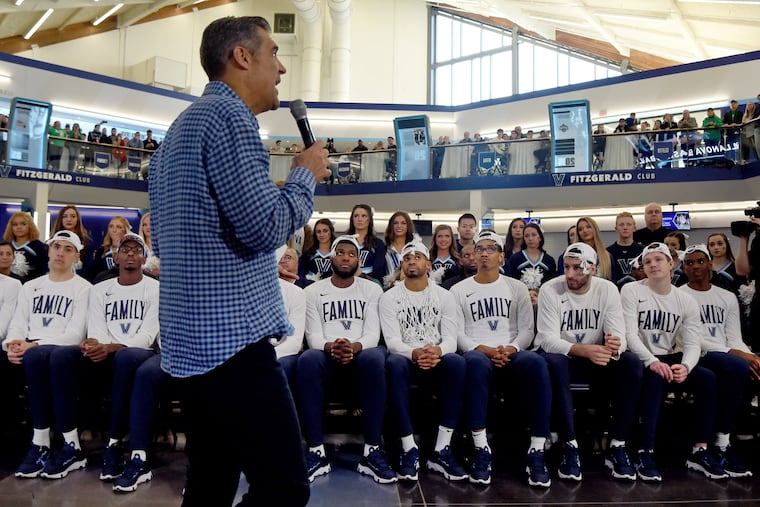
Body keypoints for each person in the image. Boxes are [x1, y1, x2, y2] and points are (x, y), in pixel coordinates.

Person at [148, 16, 329, 507]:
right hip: (233, 346)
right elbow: (264, 230)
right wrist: (303, 177)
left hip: (191, 347)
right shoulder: (231, 119)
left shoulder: (176, 133)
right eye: (273, 52)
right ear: (242, 57)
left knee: (210, 482)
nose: (282, 67)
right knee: (284, 487)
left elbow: (162, 244)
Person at [450, 230, 552, 488]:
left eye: (490, 249)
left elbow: (528, 330)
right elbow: (457, 333)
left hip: (510, 351)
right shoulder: (458, 290)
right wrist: (483, 349)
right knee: (473, 363)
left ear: (502, 256)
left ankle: (537, 449)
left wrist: (511, 348)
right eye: (479, 249)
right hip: (477, 352)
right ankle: (480, 447)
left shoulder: (516, 287)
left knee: (538, 363)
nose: (484, 253)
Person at [536, 242, 642, 482]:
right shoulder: (550, 289)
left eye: (578, 268)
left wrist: (616, 345)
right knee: (555, 362)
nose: (570, 274)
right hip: (565, 355)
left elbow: (620, 336)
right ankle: (569, 445)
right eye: (567, 267)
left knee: (631, 363)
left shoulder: (608, 290)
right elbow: (547, 340)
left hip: (596, 356)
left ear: (593, 268)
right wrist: (585, 350)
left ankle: (617, 444)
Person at [622, 243, 727, 481]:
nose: (653, 264)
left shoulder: (686, 300)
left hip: (671, 356)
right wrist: (651, 361)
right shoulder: (631, 290)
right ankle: (645, 451)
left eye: (659, 259)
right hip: (640, 356)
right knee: (654, 378)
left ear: (671, 264)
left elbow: (693, 343)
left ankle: (700, 450)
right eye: (647, 261)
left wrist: (686, 367)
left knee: (707, 378)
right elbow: (629, 335)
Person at [297, 235, 395, 484]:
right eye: (340, 253)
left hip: (362, 353)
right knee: (307, 359)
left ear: (358, 260)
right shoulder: (313, 291)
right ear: (331, 258)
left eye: (351, 254)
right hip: (326, 355)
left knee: (375, 359)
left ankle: (372, 451)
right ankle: (316, 452)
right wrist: (332, 346)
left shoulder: (372, 288)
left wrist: (353, 346)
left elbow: (373, 334)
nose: (345, 257)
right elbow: (313, 335)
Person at [4, 230, 91, 480]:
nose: (60, 253)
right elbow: (18, 323)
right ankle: (47, 444)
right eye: (56, 247)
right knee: (35, 356)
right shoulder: (31, 287)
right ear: (49, 250)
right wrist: (13, 344)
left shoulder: (84, 288)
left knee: (44, 356)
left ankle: (51, 442)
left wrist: (34, 344)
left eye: (67, 249)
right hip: (35, 350)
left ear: (76, 256)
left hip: (65, 351)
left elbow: (75, 335)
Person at [380, 240, 467, 481]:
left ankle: (442, 449)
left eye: (417, 257)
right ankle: (409, 447)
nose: (411, 261)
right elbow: (392, 341)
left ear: (428, 264)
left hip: (436, 356)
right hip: (407, 358)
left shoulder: (444, 296)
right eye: (407, 258)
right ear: (401, 265)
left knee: (457, 363)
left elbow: (451, 339)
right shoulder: (389, 298)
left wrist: (436, 352)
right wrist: (415, 353)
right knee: (393, 363)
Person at [87, 233, 161, 490]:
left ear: (143, 257)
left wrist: (111, 347)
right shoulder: (98, 290)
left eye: (136, 249)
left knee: (127, 357)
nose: (130, 253)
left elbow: (148, 335)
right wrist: (96, 345)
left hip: (141, 353)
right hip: (107, 354)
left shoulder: (156, 288)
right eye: (125, 249)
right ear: (115, 256)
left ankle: (114, 441)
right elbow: (97, 329)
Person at [679, 244, 754, 478]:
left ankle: (730, 441)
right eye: (689, 263)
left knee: (748, 366)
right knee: (734, 366)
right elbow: (691, 340)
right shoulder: (679, 295)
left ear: (710, 264)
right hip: (694, 354)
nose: (695, 266)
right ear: (683, 268)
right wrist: (737, 354)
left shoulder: (727, 296)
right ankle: (720, 442)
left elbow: (734, 337)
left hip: (727, 352)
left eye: (700, 261)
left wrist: (749, 356)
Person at [275, 246, 306, 389]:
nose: (282, 261)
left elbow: (294, 340)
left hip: (286, 350)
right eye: (280, 257)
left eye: (288, 257)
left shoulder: (304, 290)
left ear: (297, 264)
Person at [508, 223, 556, 305]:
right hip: (520, 303)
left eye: (533, 235)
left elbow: (552, 286)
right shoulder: (515, 259)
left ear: (539, 237)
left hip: (543, 303)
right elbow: (511, 284)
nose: (530, 238)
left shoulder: (549, 260)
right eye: (527, 236)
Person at [4, 211, 48, 283]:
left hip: (31, 286)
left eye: (23, 224)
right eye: (15, 224)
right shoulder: (6, 245)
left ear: (30, 226)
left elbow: (44, 270)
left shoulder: (39, 247)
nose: (19, 227)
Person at [346, 203, 386, 280]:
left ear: (369, 219)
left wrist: (361, 277)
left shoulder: (378, 244)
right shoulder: (344, 242)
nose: (359, 219)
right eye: (356, 216)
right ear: (352, 219)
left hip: (370, 284)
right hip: (347, 283)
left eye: (364, 216)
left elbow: (379, 271)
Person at [607, 212, 644, 289]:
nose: (625, 227)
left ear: (634, 228)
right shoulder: (607, 252)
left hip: (639, 292)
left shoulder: (643, 251)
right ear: (616, 229)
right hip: (616, 294)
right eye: (621, 225)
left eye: (629, 224)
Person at [51, 205, 92, 277]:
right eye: (65, 216)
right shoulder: (51, 242)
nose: (69, 219)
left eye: (73, 216)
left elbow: (89, 269)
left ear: (78, 219)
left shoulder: (87, 243)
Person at [90, 216, 130, 282]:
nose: (114, 230)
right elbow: (94, 274)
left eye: (118, 227)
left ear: (125, 230)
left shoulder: (130, 251)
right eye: (111, 226)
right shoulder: (101, 251)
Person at [383, 211, 415, 277]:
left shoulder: (414, 249)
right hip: (388, 286)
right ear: (391, 226)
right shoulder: (383, 249)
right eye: (395, 223)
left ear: (408, 226)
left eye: (403, 223)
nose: (399, 226)